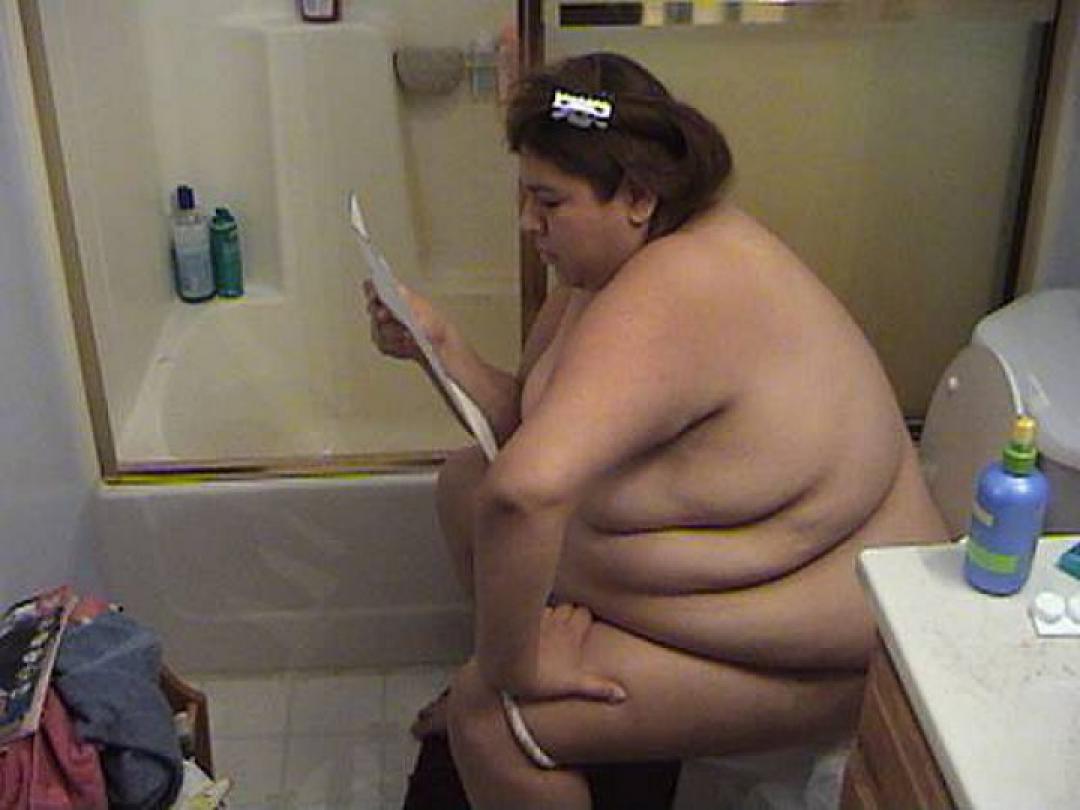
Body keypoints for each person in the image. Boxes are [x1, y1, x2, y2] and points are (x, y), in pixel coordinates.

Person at [364, 52, 949, 810]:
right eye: (525, 195)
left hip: (838, 656)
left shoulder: (679, 289)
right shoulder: (604, 266)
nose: (527, 222)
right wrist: (438, 346)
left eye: (549, 201)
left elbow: (525, 493)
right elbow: (526, 433)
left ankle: (518, 715)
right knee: (463, 484)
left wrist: (512, 669)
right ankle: (548, 704)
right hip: (709, 599)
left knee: (490, 720)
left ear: (637, 197)